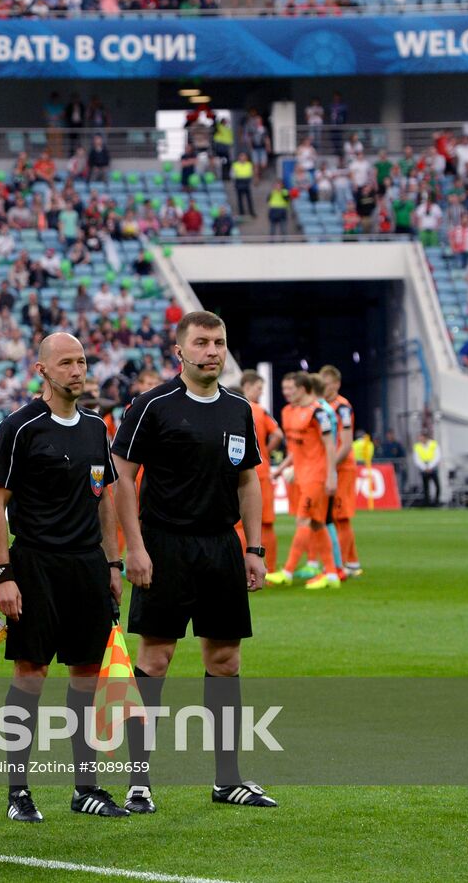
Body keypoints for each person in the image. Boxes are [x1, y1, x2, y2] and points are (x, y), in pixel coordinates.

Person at [110, 311, 274, 814]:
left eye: (219, 343)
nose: (212, 351)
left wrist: (254, 549)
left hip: (222, 546)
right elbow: (121, 474)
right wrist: (133, 547)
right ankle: (139, 781)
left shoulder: (238, 410)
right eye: (201, 343)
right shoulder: (151, 405)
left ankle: (228, 779)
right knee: (155, 659)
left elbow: (248, 480)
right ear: (180, 350)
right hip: (165, 545)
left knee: (225, 662)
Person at [0, 333, 124, 823]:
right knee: (31, 674)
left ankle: (85, 787)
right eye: (65, 363)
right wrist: (3, 574)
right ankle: (17, 791)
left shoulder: (94, 427)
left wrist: (112, 563)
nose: (77, 370)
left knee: (86, 674)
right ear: (42, 370)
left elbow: (104, 496)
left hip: (87, 565)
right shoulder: (20, 427)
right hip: (36, 564)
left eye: (82, 361)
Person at [268, 373, 340, 589]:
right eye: (285, 388)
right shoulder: (290, 412)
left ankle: (288, 571)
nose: (287, 393)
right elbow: (296, 449)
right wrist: (283, 469)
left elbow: (329, 445)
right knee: (318, 523)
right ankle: (332, 575)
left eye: (292, 389)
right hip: (301, 476)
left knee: (303, 521)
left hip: (315, 477)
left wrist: (331, 474)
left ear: (304, 389)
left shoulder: (320, 413)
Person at [237, 370, 283, 570]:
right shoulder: (258, 410)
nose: (260, 393)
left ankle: (237, 568)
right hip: (260, 471)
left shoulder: (231, 408)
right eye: (258, 388)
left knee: (238, 524)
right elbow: (278, 434)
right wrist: (263, 452)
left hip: (237, 471)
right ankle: (270, 569)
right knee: (266, 523)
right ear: (246, 386)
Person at [319, 365, 362, 577]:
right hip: (334, 465)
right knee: (335, 515)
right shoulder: (323, 406)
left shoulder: (343, 408)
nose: (323, 388)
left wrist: (330, 465)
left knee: (340, 515)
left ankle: (342, 563)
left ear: (336, 384)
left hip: (342, 466)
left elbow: (346, 444)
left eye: (327, 384)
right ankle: (352, 561)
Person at [413, 431, 441, 507]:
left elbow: (437, 457)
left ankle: (436, 501)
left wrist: (430, 467)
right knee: (425, 486)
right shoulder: (417, 446)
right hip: (424, 468)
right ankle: (427, 502)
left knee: (437, 485)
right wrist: (424, 468)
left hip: (433, 468)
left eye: (421, 438)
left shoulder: (433, 444)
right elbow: (417, 459)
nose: (420, 439)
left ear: (426, 438)